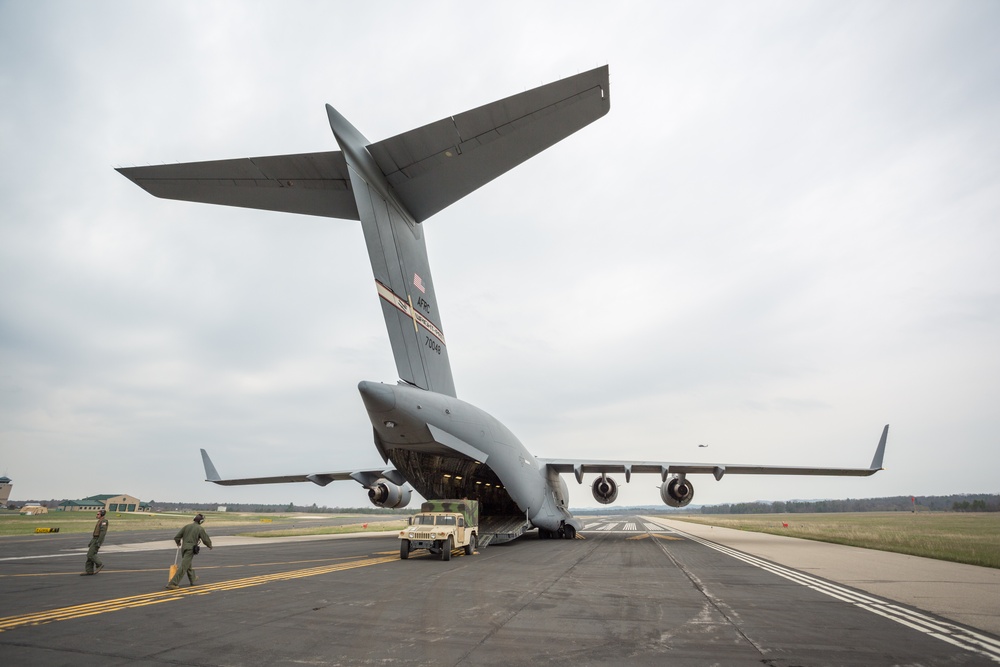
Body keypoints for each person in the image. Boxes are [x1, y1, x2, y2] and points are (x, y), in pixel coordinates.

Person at [166, 513, 212, 589]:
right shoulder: (200, 529)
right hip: (190, 549)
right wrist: (209, 545)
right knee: (184, 566)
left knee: (187, 564)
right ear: (201, 521)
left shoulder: (186, 526)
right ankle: (173, 583)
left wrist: (178, 543)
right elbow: (205, 539)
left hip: (184, 548)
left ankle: (192, 578)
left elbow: (177, 537)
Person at [81, 509, 109, 576]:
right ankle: (89, 571)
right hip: (94, 539)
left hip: (97, 539)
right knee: (90, 555)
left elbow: (102, 533)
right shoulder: (99, 521)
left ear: (102, 515)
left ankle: (99, 564)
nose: (97, 515)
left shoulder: (104, 521)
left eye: (98, 514)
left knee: (90, 554)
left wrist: (98, 542)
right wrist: (91, 542)